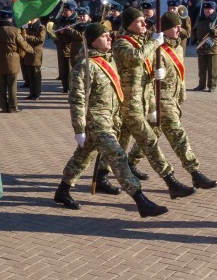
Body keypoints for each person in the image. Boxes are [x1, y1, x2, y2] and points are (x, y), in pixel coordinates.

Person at [53, 22, 168, 217]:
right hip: (96, 122)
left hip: (109, 120)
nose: (109, 38)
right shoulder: (84, 66)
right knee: (119, 157)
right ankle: (141, 200)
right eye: (104, 36)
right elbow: (77, 99)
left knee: (83, 157)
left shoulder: (109, 60)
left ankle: (62, 191)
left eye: (109, 35)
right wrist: (79, 128)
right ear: (92, 41)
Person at [113, 7, 195, 199]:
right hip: (129, 103)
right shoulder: (122, 43)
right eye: (139, 21)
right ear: (129, 24)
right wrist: (153, 43)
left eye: (144, 20)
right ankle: (170, 181)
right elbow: (135, 58)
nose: (144, 24)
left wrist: (154, 76)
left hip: (141, 101)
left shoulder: (141, 40)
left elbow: (144, 71)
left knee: (119, 143)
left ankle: (100, 175)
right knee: (149, 142)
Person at [153, 10, 217, 189]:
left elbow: (180, 76)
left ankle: (130, 162)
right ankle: (195, 173)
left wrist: (181, 95)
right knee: (178, 136)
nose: (178, 29)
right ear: (164, 29)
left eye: (179, 26)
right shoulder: (155, 48)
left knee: (150, 137)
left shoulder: (178, 47)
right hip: (161, 100)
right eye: (174, 27)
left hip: (173, 99)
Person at [0, 10, 34, 113]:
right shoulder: (15, 30)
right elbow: (23, 45)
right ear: (10, 18)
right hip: (12, 60)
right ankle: (13, 107)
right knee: (12, 86)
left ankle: (3, 107)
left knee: (1, 86)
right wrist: (31, 50)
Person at [192, 1, 217, 92]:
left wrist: (215, 31)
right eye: (205, 9)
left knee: (212, 68)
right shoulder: (200, 18)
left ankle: (212, 86)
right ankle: (201, 85)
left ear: (214, 9)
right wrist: (194, 38)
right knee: (202, 68)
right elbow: (195, 29)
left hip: (213, 46)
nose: (207, 11)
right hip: (201, 45)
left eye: (209, 9)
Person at [22, 18, 45, 100]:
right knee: (30, 75)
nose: (30, 19)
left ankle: (37, 94)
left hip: (36, 53)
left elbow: (40, 40)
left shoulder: (41, 27)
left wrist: (28, 37)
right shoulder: (28, 26)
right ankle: (31, 93)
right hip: (28, 52)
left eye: (33, 17)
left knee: (36, 75)